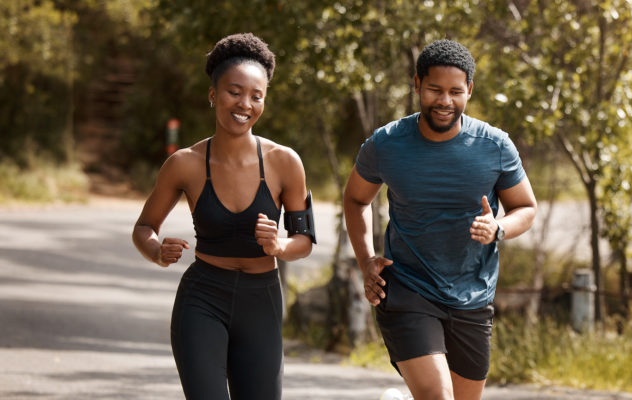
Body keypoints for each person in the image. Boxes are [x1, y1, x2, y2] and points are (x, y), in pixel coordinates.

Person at [343, 39, 538, 400]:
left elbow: (525, 208)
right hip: (407, 288)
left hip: (472, 295)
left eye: (455, 91)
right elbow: (355, 199)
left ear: (469, 90)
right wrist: (366, 259)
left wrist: (499, 228)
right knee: (437, 396)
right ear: (417, 84)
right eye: (434, 89)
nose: (445, 101)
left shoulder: (494, 146)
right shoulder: (386, 144)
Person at [132, 32, 317, 399]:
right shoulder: (184, 164)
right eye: (235, 92)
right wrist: (155, 250)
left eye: (256, 96)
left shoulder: (285, 162)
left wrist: (279, 245)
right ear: (213, 94)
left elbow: (305, 241)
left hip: (261, 302)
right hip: (202, 299)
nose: (245, 103)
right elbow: (144, 226)